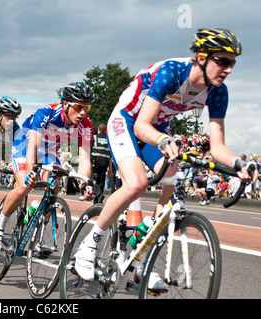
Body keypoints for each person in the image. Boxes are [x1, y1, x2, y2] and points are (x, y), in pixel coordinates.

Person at [74, 28, 251, 290]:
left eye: (232, 63)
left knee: (173, 182)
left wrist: (240, 164)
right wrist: (163, 140)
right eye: (223, 62)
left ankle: (143, 259)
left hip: (156, 128)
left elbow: (217, 147)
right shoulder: (172, 72)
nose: (228, 69)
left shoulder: (218, 92)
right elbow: (141, 125)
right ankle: (89, 244)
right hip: (129, 120)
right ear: (202, 57)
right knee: (136, 184)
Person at [0, 82, 95, 253]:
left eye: (87, 108)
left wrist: (85, 184)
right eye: (78, 107)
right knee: (24, 185)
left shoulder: (86, 125)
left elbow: (84, 159)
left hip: (48, 150)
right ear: (65, 104)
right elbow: (32, 147)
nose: (82, 112)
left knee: (55, 184)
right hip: (26, 145)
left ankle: (38, 235)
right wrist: (31, 173)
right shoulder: (46, 112)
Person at [90, 123, 112, 196]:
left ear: (98, 129)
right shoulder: (108, 140)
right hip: (105, 163)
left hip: (95, 162)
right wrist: (110, 168)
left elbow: (90, 150)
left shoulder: (95, 137)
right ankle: (100, 195)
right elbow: (110, 155)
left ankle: (95, 192)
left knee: (94, 178)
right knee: (102, 179)